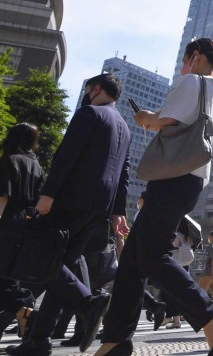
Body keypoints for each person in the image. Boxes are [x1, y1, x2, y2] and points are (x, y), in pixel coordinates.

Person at [97, 37, 213, 356]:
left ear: (197, 56)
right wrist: (157, 119)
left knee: (150, 255)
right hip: (190, 179)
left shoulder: (192, 81)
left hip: (174, 178)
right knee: (133, 261)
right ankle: (115, 341)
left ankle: (208, 311)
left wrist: (146, 118)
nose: (183, 67)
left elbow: (166, 120)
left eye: (185, 60)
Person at [10, 74, 131, 356]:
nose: (86, 93)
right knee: (62, 264)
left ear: (96, 89)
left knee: (44, 260)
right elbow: (122, 174)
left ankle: (88, 302)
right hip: (99, 208)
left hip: (71, 200)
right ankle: (39, 340)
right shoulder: (125, 127)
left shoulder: (88, 113)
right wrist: (117, 212)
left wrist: (48, 194)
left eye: (88, 89)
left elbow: (67, 154)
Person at [0, 123, 43, 339]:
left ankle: (24, 308)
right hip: (26, 227)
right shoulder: (37, 166)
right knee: (9, 278)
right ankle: (25, 308)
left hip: (6, 225)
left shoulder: (9, 160)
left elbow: (3, 198)